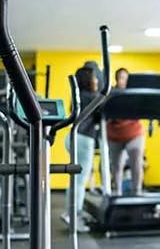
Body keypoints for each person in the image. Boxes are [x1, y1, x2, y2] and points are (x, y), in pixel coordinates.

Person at [61, 66, 101, 232]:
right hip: (84, 139)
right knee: (79, 180)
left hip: (73, 137)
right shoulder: (92, 97)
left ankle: (70, 212)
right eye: (95, 77)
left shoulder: (79, 96)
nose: (97, 80)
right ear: (88, 80)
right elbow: (106, 100)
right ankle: (72, 215)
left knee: (75, 178)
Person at [105, 68, 146, 196]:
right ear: (117, 79)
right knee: (116, 166)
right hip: (114, 135)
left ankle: (137, 192)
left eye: (126, 78)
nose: (124, 81)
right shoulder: (110, 94)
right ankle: (116, 193)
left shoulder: (134, 93)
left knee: (136, 163)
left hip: (134, 134)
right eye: (122, 78)